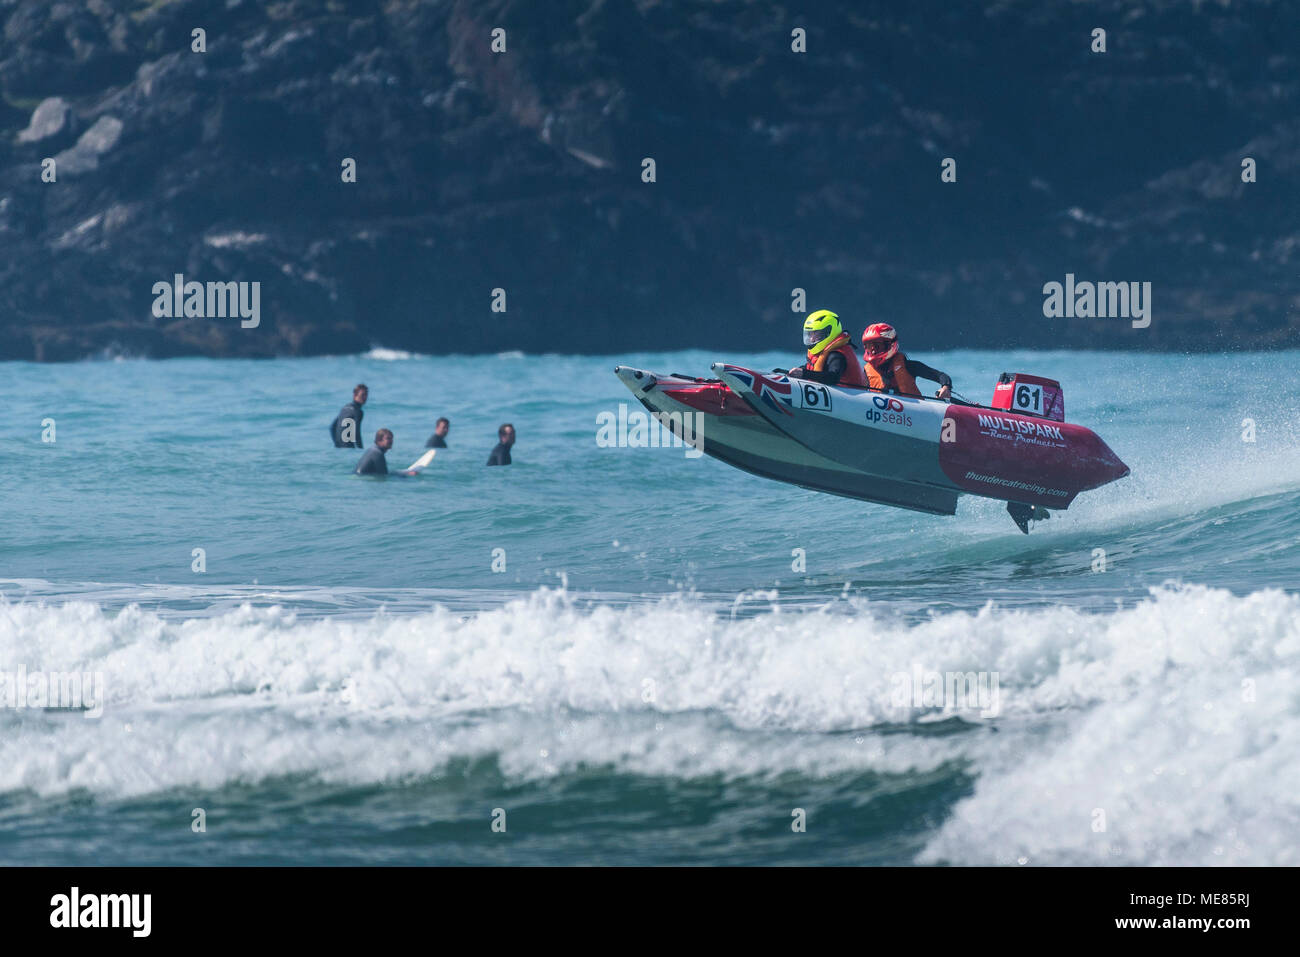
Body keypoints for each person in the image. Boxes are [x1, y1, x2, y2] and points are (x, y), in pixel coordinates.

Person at [860, 323, 952, 399]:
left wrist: (945, 387)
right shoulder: (867, 372)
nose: (873, 350)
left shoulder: (909, 366)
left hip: (913, 413)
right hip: (879, 414)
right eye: (869, 346)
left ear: (890, 345)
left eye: (877, 346)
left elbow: (941, 376)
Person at [787, 310, 869, 387]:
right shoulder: (823, 352)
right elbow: (811, 367)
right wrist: (797, 372)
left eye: (816, 334)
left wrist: (804, 374)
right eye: (810, 334)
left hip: (851, 396)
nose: (812, 339)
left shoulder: (837, 354)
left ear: (828, 333)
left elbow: (833, 377)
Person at [330, 384, 368, 448]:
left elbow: (332, 427)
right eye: (362, 395)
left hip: (339, 446)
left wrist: (336, 443)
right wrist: (361, 449)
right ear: (355, 395)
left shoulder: (345, 408)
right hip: (349, 447)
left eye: (366, 395)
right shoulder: (358, 412)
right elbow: (356, 433)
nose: (365, 397)